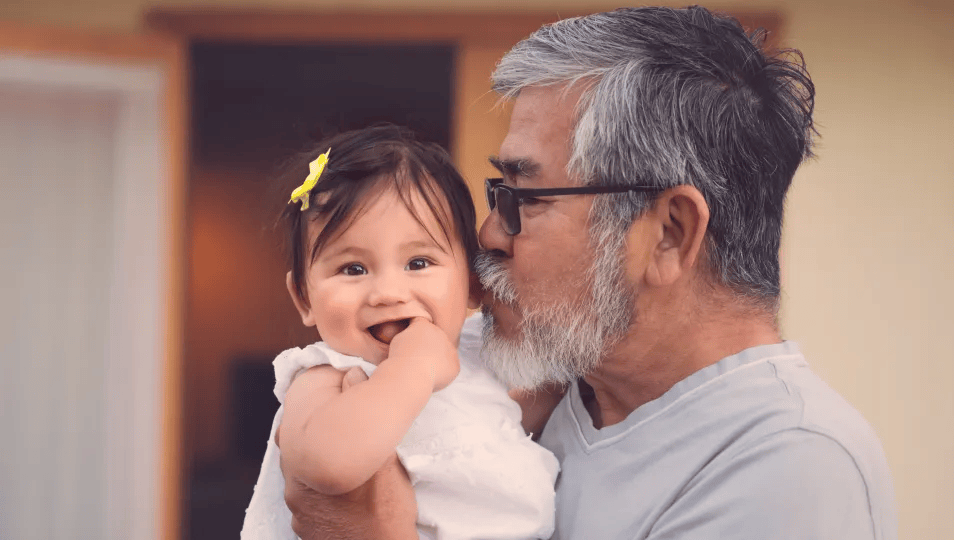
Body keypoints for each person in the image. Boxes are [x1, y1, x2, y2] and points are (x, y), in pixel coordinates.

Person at [283, 6, 898, 539]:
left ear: (668, 232)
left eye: (527, 196)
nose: (490, 235)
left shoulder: (788, 466)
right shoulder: (523, 362)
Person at [241, 124, 558, 540]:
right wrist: (412, 370)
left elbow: (507, 419)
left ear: (473, 283)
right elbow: (326, 467)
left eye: (418, 263)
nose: (388, 293)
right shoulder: (325, 378)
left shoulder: (478, 353)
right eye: (353, 269)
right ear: (304, 299)